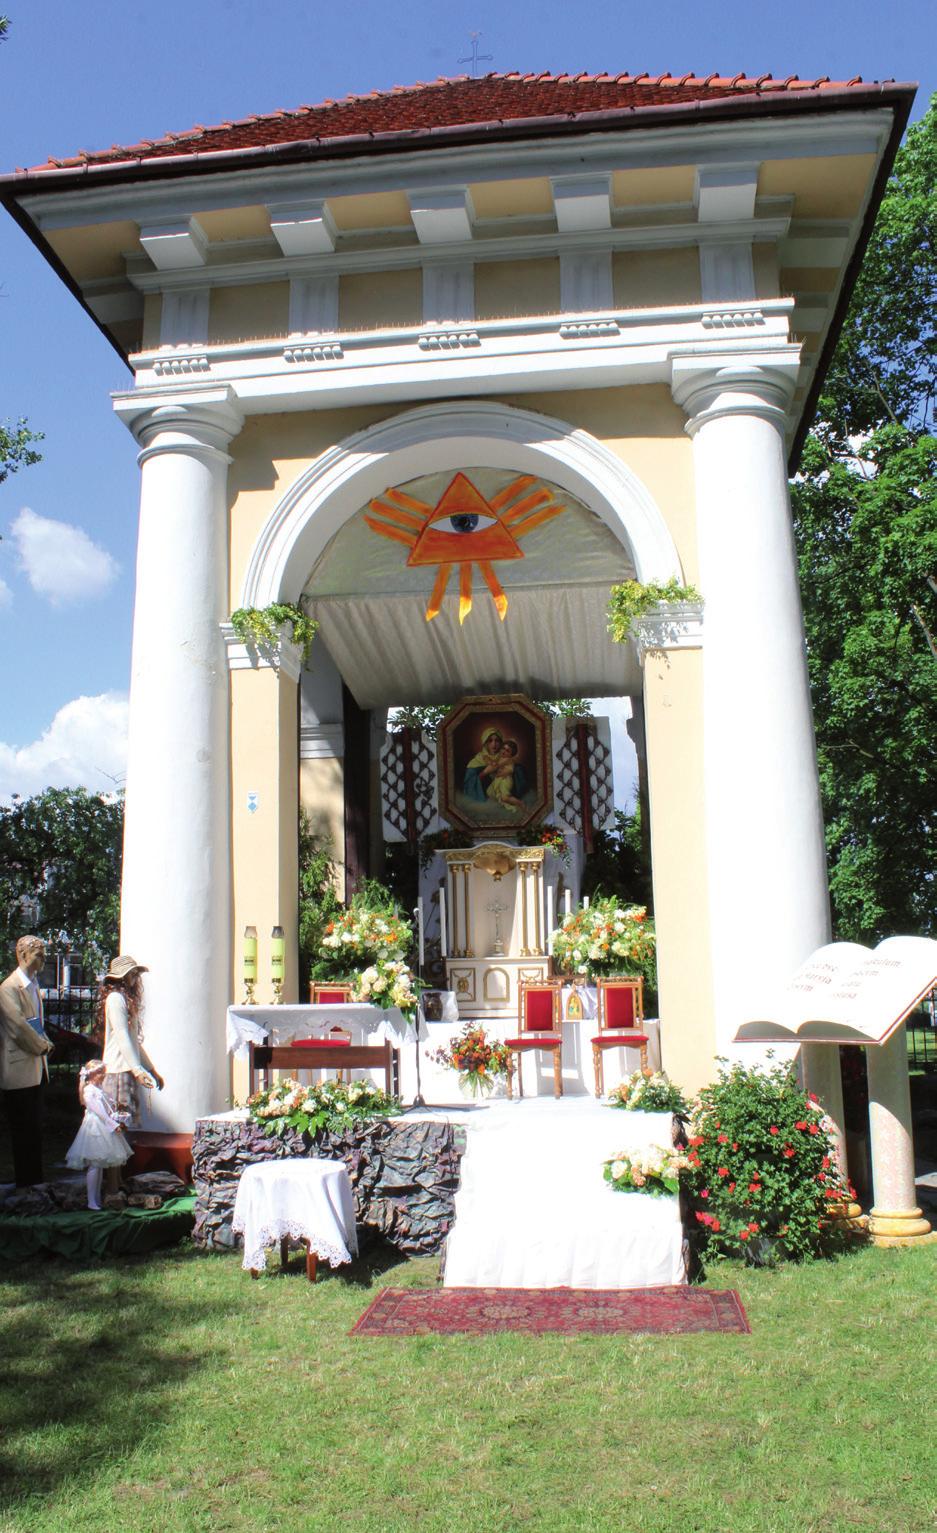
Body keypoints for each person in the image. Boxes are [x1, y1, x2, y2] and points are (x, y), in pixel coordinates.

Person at [0, 935, 53, 1186]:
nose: (43, 959)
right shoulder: (8, 988)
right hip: (19, 1072)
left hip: (37, 1070)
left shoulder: (34, 986)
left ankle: (36, 1182)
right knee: (23, 1131)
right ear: (22, 955)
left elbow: (36, 1024)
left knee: (35, 1130)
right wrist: (43, 1046)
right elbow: (18, 1028)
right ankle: (26, 1184)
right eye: (38, 954)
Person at [97, 955, 164, 1129]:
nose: (136, 977)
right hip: (117, 1069)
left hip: (127, 1070)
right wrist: (137, 1070)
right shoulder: (115, 999)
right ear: (122, 976)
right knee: (118, 1125)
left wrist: (150, 1069)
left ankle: (123, 1156)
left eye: (136, 973)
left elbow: (133, 1042)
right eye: (132, 973)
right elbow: (121, 1036)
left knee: (126, 1126)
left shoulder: (124, 999)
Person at [65, 1060, 132, 1210]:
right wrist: (112, 1123)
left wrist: (114, 1116)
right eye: (101, 1073)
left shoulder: (97, 1089)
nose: (103, 1075)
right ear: (94, 1074)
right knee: (95, 1163)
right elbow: (98, 1111)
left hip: (102, 1124)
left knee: (99, 1165)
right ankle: (91, 1200)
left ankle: (95, 1199)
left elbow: (105, 1108)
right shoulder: (89, 1090)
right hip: (96, 1127)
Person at [462, 727, 503, 802]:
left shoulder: (505, 759)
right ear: (485, 743)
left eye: (497, 741)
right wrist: (485, 772)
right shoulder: (477, 761)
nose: (494, 744)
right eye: (490, 741)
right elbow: (468, 785)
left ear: (501, 743)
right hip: (484, 804)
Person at [485, 740, 526, 811]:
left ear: (511, 754)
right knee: (490, 792)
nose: (503, 751)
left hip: (505, 780)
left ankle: (520, 803)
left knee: (505, 798)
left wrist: (488, 760)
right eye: (503, 748)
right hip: (499, 779)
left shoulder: (507, 759)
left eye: (507, 751)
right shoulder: (501, 758)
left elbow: (496, 765)